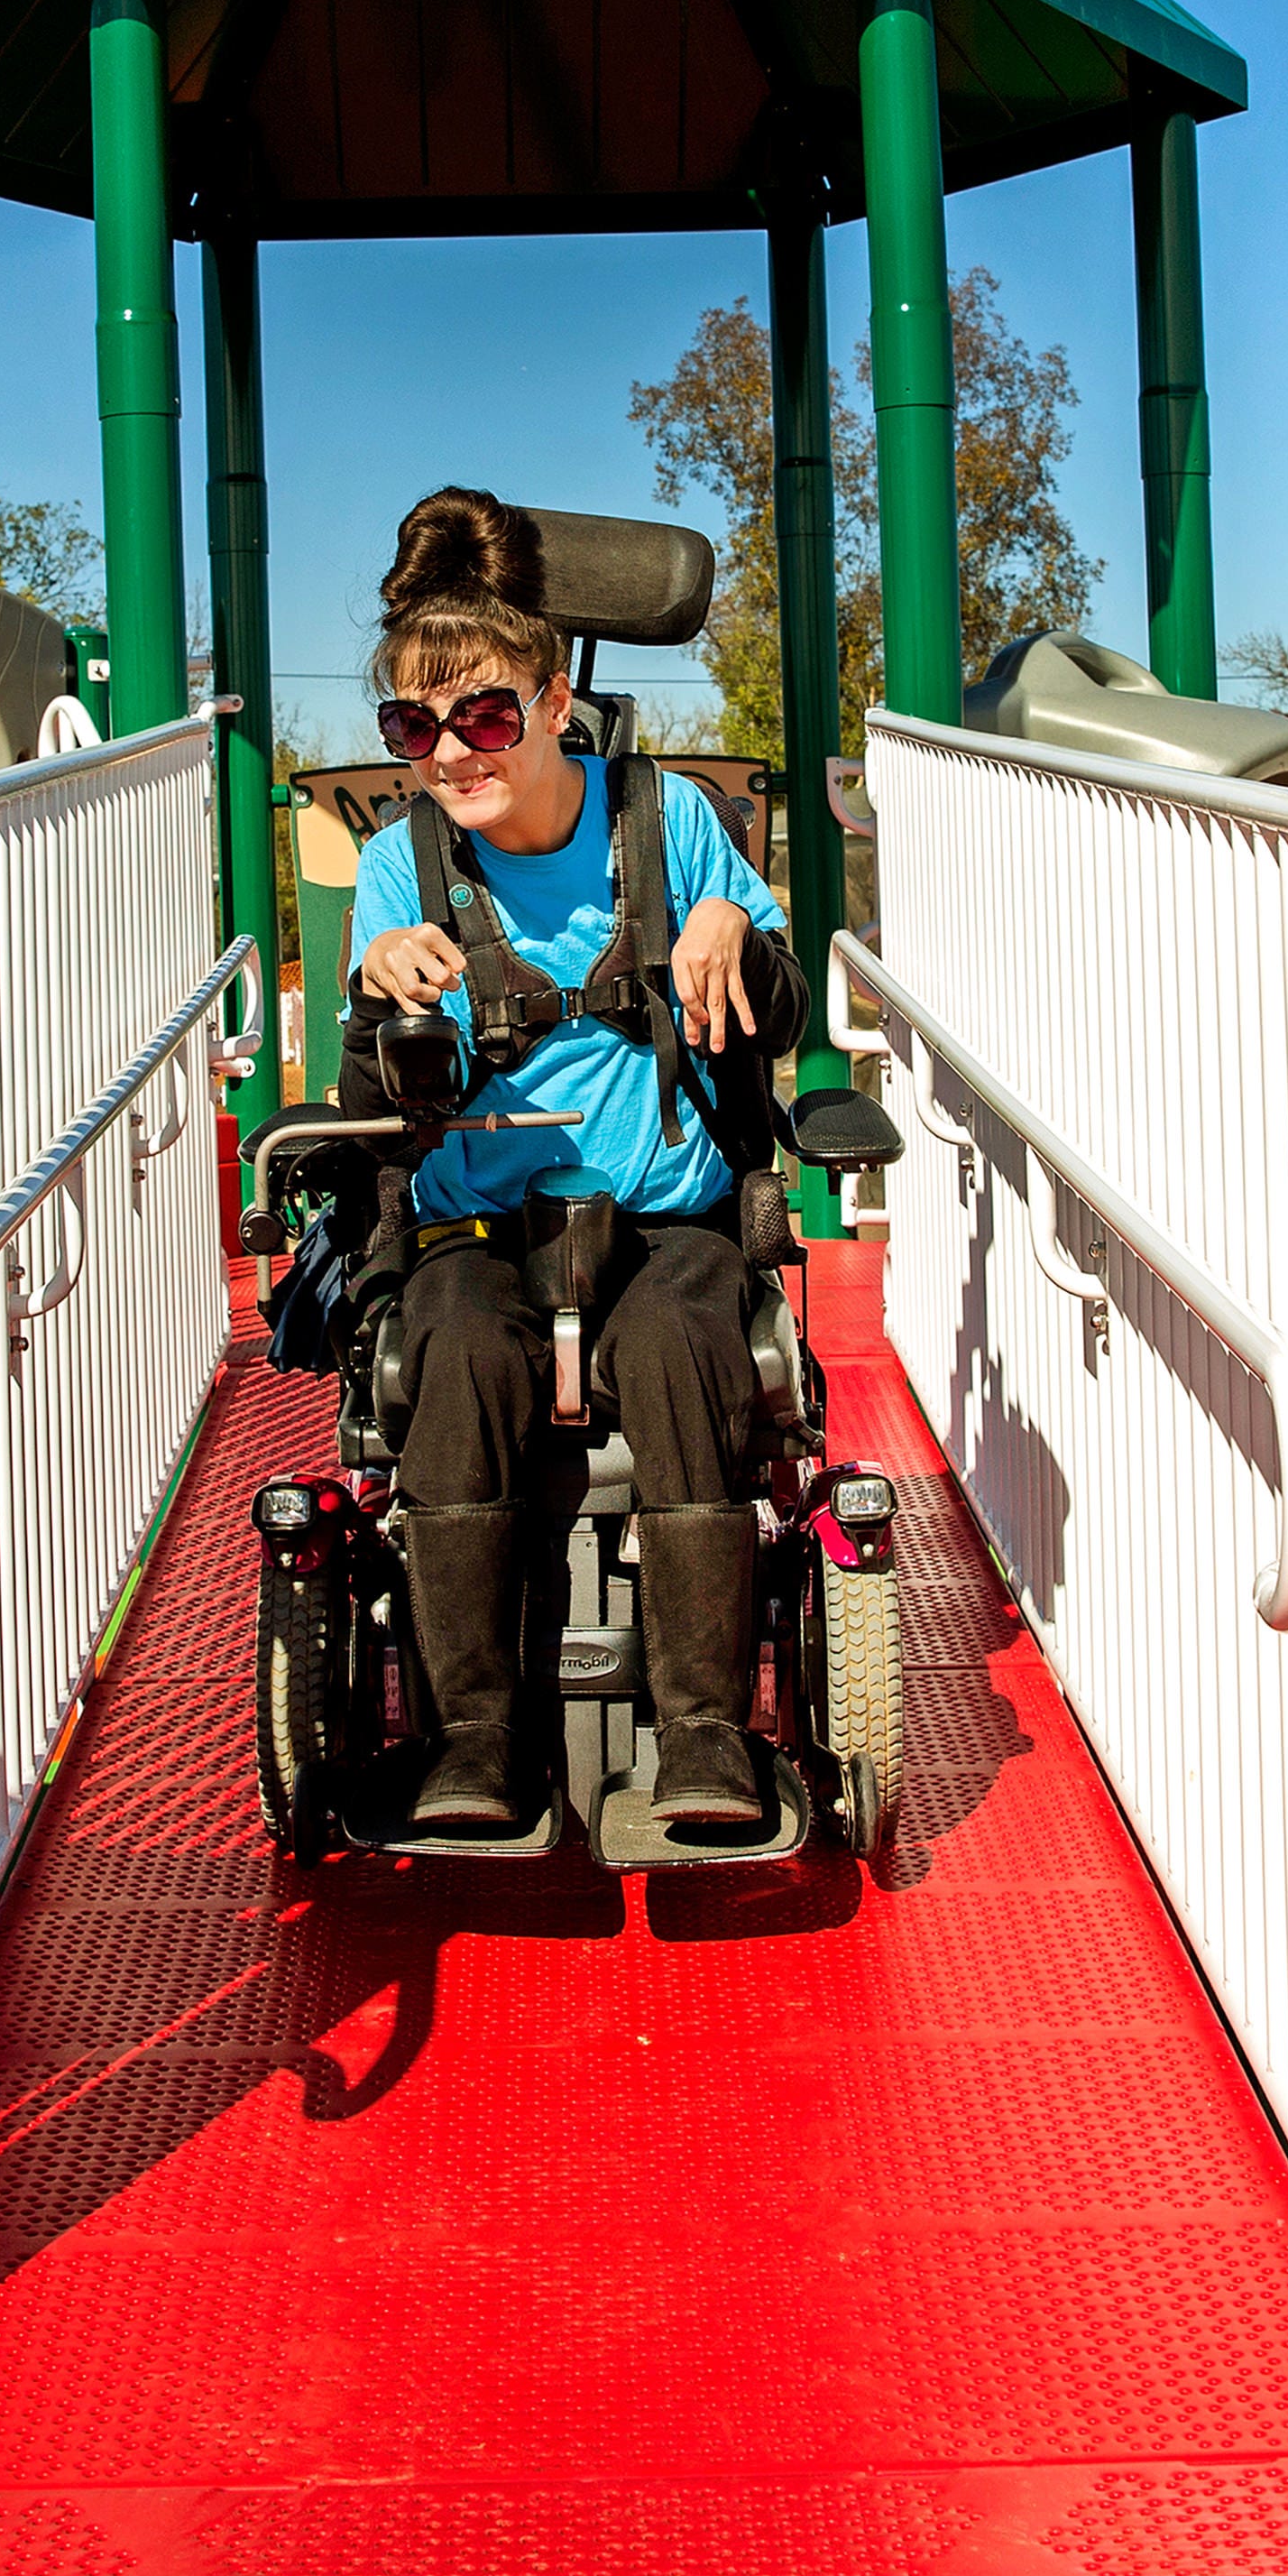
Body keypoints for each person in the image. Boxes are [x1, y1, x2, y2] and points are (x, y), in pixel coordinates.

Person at [345, 486, 794, 1836]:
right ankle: (475, 1737)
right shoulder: (397, 866)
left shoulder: (668, 821)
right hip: (482, 1228)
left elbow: (776, 1012)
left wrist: (728, 921)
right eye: (414, 727)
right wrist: (380, 995)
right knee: (458, 1357)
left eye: (483, 713)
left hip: (663, 1219)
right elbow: (369, 1101)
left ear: (551, 700)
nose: (452, 752)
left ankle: (708, 1731)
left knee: (679, 1347)